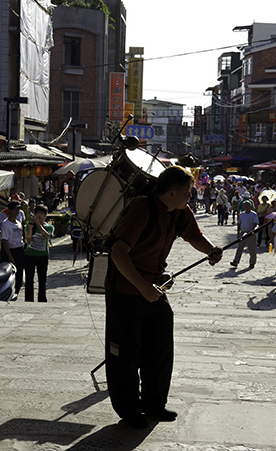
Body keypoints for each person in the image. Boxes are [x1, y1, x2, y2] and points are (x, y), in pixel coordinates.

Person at [104, 166, 223, 429]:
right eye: (186, 193)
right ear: (170, 193)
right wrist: (142, 287)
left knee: (159, 348)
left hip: (154, 288)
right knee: (125, 354)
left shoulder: (179, 211)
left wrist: (211, 251)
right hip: (125, 290)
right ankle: (129, 410)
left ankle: (154, 404)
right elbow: (118, 253)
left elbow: (195, 236)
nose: (189, 197)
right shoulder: (141, 210)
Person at [24, 204, 54, 303]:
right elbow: (27, 241)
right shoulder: (29, 225)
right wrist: (31, 227)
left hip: (42, 256)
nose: (39, 215)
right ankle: (29, 299)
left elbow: (46, 236)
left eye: (42, 213)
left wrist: (39, 224)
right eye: (38, 213)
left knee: (42, 279)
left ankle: (42, 298)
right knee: (29, 279)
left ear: (45, 215)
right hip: (30, 255)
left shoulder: (49, 227)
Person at [0, 201, 25, 296]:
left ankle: (17, 291)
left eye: (18, 209)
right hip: (10, 250)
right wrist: (10, 256)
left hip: (19, 249)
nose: (17, 211)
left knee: (19, 273)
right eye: (15, 209)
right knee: (8, 273)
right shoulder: (6, 224)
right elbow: (5, 241)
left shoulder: (18, 223)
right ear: (10, 210)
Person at [230, 200, 259, 269]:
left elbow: (256, 224)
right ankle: (236, 261)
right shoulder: (242, 215)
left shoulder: (253, 214)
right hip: (243, 232)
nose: (246, 207)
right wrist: (238, 234)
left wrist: (254, 230)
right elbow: (239, 224)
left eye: (248, 205)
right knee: (239, 248)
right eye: (245, 205)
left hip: (250, 233)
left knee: (252, 249)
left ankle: (252, 262)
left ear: (250, 206)